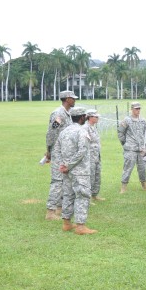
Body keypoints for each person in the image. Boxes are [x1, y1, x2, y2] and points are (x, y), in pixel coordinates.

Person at [55, 107, 97, 235]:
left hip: (67, 171)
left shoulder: (64, 131)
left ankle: (66, 223)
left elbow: (57, 149)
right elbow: (82, 151)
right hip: (80, 171)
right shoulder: (82, 131)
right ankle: (80, 226)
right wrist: (69, 165)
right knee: (82, 196)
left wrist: (63, 164)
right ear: (82, 117)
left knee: (68, 195)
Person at [44, 90, 78, 220]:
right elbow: (51, 133)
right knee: (57, 181)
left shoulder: (67, 114)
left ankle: (60, 208)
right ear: (67, 99)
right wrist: (49, 150)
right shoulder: (58, 114)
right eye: (72, 98)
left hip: (66, 153)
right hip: (58, 152)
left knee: (64, 181)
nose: (74, 100)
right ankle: (50, 212)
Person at [117, 101, 146, 193]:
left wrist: (144, 145)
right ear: (131, 109)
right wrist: (125, 143)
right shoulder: (126, 120)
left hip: (141, 149)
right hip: (130, 149)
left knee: (142, 168)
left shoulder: (142, 120)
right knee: (128, 168)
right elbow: (120, 133)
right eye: (136, 109)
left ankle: (144, 184)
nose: (138, 110)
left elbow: (145, 133)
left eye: (139, 108)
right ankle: (123, 186)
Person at [85, 109, 105, 203]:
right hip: (89, 157)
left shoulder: (93, 127)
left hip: (96, 156)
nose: (97, 118)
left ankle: (94, 195)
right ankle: (87, 198)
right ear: (90, 117)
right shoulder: (85, 128)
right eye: (95, 117)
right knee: (90, 177)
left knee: (97, 176)